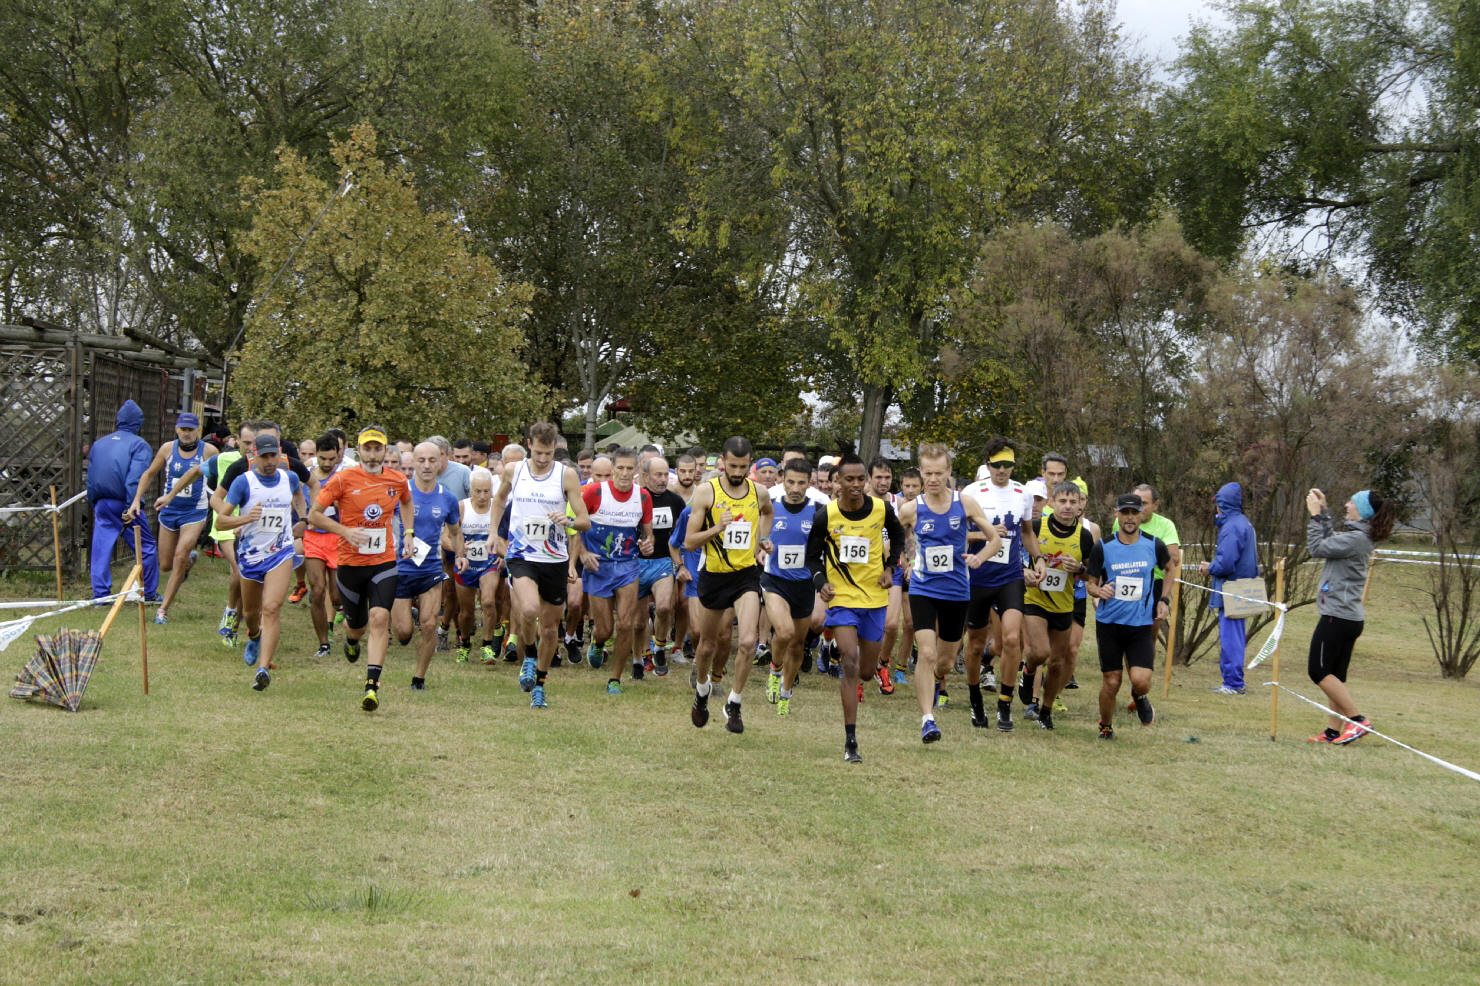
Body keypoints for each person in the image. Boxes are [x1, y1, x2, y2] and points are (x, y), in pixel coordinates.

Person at [307, 426, 414, 712]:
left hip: (383, 561)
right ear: (358, 451)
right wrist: (344, 531)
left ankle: (371, 686)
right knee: (357, 626)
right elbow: (313, 514)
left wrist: (408, 532)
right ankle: (352, 641)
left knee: (380, 617)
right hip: (351, 564)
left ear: (384, 452)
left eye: (377, 449)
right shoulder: (343, 479)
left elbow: (406, 501)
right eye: (367, 449)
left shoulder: (397, 479)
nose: (372, 454)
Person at [898, 444, 1000, 743]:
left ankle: (939, 678)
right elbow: (895, 535)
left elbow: (993, 539)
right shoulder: (910, 508)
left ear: (949, 472)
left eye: (938, 473)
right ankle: (927, 719)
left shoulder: (965, 503)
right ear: (920, 472)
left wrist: (979, 558)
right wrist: (906, 558)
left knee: (943, 662)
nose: (933, 479)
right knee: (927, 654)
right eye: (927, 473)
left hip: (956, 591)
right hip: (923, 589)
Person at [805, 452, 904, 762]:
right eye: (849, 479)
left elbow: (899, 536)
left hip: (874, 599)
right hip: (843, 599)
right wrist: (821, 582)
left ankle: (866, 668)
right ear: (838, 482)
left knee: (864, 671)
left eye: (861, 479)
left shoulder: (881, 509)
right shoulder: (826, 515)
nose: (856, 485)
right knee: (849, 660)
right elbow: (811, 556)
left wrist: (890, 566)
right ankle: (851, 740)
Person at [489, 422, 591, 709]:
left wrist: (568, 520)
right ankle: (529, 657)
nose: (544, 459)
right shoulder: (514, 470)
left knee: (549, 628)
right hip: (521, 555)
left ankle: (540, 685)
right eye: (539, 452)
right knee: (529, 609)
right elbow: (498, 500)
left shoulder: (566, 475)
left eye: (549, 453)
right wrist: (493, 533)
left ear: (554, 449)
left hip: (554, 559)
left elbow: (584, 520)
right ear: (529, 444)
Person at [683, 436, 774, 733]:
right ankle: (701, 691)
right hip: (713, 575)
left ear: (750, 463)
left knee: (747, 641)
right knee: (707, 645)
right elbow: (689, 540)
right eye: (733, 466)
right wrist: (718, 528)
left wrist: (762, 540)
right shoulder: (705, 492)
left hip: (745, 575)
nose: (737, 471)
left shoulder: (759, 492)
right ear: (722, 461)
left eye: (743, 466)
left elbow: (767, 513)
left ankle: (734, 702)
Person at [959, 436, 1046, 731]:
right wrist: (982, 536)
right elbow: (957, 532)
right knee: (975, 645)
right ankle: (974, 699)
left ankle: (1005, 704)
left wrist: (1038, 559)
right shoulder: (971, 493)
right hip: (978, 575)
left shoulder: (1022, 492)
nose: (1003, 470)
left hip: (1010, 576)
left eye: (1008, 464)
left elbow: (1026, 532)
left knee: (1011, 639)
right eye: (997, 465)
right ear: (988, 465)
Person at [216, 433, 307, 691]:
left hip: (280, 552)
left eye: (273, 456)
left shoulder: (289, 477)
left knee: (272, 608)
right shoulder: (242, 483)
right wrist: (244, 519)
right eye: (264, 456)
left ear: (280, 455)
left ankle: (263, 668)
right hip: (251, 555)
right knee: (251, 614)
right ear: (253, 456)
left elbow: (299, 493)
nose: (269, 461)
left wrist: (303, 518)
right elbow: (221, 521)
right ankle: (254, 635)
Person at [1304, 488, 1394, 744]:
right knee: (1335, 676)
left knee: (1318, 671)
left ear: (1362, 511)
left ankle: (1357, 720)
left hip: (1337, 617)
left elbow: (1317, 547)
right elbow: (1331, 542)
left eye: (1351, 502)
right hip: (1348, 618)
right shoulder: (1357, 537)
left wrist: (1314, 516)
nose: (1346, 504)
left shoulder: (1356, 540)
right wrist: (1324, 512)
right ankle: (1333, 730)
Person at [1085, 493, 1172, 739]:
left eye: (1134, 513)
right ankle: (1106, 726)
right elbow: (1090, 584)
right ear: (1117, 514)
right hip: (1109, 624)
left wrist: (1163, 599)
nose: (1130, 518)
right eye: (1125, 513)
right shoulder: (1103, 546)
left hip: (1140, 624)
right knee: (1112, 682)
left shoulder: (1153, 544)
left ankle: (1139, 695)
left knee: (1141, 680)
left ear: (1141, 515)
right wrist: (1098, 590)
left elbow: (1169, 568)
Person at [575, 447, 653, 693]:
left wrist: (648, 544)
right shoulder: (595, 492)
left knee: (627, 624)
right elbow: (576, 526)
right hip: (599, 566)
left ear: (637, 470)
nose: (625, 473)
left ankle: (615, 679)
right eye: (620, 468)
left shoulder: (642, 497)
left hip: (628, 566)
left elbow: (648, 534)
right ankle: (597, 643)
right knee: (605, 628)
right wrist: (583, 554)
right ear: (612, 469)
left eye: (630, 468)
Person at [1019, 481, 1096, 729]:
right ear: (1051, 502)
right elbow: (1011, 555)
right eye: (1062, 501)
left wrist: (1080, 569)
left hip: (1064, 605)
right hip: (1035, 598)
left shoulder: (1083, 536)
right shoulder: (1037, 526)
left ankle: (1046, 709)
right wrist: (1023, 572)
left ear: (1080, 506)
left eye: (1073, 502)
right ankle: (1029, 671)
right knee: (1040, 652)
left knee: (1056, 663)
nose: (1067, 507)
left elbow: (1092, 575)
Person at [391, 441, 465, 690]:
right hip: (401, 569)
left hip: (431, 570)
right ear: (412, 463)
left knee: (430, 624)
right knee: (402, 632)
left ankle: (419, 678)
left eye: (432, 460)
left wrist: (461, 555)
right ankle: (405, 621)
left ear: (441, 463)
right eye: (420, 460)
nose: (426, 465)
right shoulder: (401, 493)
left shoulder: (448, 498)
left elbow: (455, 532)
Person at [133, 412, 218, 623]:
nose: (186, 433)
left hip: (195, 511)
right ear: (176, 429)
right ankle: (189, 561)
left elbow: (222, 476)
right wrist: (136, 500)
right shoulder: (167, 448)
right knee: (165, 565)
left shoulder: (208, 451)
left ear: (198, 430)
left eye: (190, 429)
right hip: (169, 511)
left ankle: (162, 610)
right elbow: (149, 473)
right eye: (183, 429)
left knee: (179, 555)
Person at [762, 458, 823, 717]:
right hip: (775, 580)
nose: (795, 488)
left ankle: (786, 691)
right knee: (784, 632)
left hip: (804, 584)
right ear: (781, 479)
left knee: (797, 643)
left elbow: (828, 545)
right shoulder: (770, 507)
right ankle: (775, 671)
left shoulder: (819, 510)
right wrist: (760, 549)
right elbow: (757, 536)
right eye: (790, 482)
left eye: (801, 483)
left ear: (809, 482)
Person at [87, 399, 159, 601]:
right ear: (138, 423)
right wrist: (131, 505)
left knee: (100, 548)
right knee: (145, 547)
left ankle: (99, 594)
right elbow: (135, 478)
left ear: (117, 420)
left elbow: (91, 478)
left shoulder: (99, 444)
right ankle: (149, 592)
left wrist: (95, 503)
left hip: (101, 502)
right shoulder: (139, 445)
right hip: (126, 503)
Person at [1199, 482, 1259, 695]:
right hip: (1239, 588)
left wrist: (1209, 568)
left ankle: (1233, 683)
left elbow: (1225, 564)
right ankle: (1233, 681)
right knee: (1234, 636)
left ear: (1221, 504)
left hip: (1231, 591)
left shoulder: (1232, 527)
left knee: (1230, 638)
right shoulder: (1243, 523)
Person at [638, 455, 686, 675]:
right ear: (645, 476)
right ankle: (643, 656)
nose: (663, 479)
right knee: (637, 620)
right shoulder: (635, 499)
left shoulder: (676, 501)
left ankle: (659, 645)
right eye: (658, 474)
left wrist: (681, 561)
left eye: (666, 474)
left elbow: (682, 533)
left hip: (663, 561)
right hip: (636, 562)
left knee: (665, 607)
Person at [455, 467, 503, 663]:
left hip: (489, 563)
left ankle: (487, 645)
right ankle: (464, 643)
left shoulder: (498, 507)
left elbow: (508, 534)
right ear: (470, 491)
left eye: (486, 491)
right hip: (466, 564)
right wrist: (459, 549)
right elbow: (446, 537)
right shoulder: (461, 507)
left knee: (488, 601)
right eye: (478, 491)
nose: (483, 496)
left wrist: (504, 554)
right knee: (466, 613)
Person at [303, 433, 345, 657]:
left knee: (337, 596)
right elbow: (298, 500)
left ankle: (349, 620)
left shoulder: (344, 477)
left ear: (338, 455)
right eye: (322, 458)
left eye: (331, 459)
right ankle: (323, 643)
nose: (327, 463)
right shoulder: (308, 478)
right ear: (316, 455)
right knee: (317, 591)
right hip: (314, 539)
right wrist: (302, 518)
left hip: (337, 538)